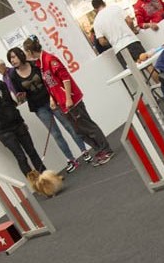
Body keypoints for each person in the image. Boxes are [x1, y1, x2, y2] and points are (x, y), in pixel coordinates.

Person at [24, 37, 115, 166]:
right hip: (61, 103)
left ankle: (106, 150)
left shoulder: (50, 59)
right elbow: (51, 84)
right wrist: (52, 99)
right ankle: (99, 150)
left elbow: (65, 78)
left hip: (71, 100)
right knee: (79, 131)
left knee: (87, 126)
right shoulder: (40, 64)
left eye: (25, 52)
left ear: (30, 51)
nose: (25, 55)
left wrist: (68, 98)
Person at [7, 47, 91, 173]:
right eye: (10, 59)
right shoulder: (13, 75)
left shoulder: (35, 65)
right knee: (56, 134)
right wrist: (21, 96)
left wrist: (53, 97)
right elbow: (21, 92)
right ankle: (71, 159)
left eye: (14, 57)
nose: (12, 61)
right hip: (38, 107)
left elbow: (49, 80)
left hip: (52, 100)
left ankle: (84, 150)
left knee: (69, 126)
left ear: (20, 55)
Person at [0, 58, 47, 180]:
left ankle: (46, 178)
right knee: (21, 157)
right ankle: (35, 184)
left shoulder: (2, 84)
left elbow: (11, 105)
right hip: (3, 131)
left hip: (17, 124)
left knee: (32, 151)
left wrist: (22, 121)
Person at [92, 0, 146, 68]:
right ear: (104, 3)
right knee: (147, 64)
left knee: (135, 72)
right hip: (131, 41)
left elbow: (102, 42)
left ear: (94, 10)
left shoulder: (96, 22)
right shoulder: (115, 8)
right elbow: (129, 21)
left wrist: (112, 40)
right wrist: (131, 30)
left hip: (119, 49)